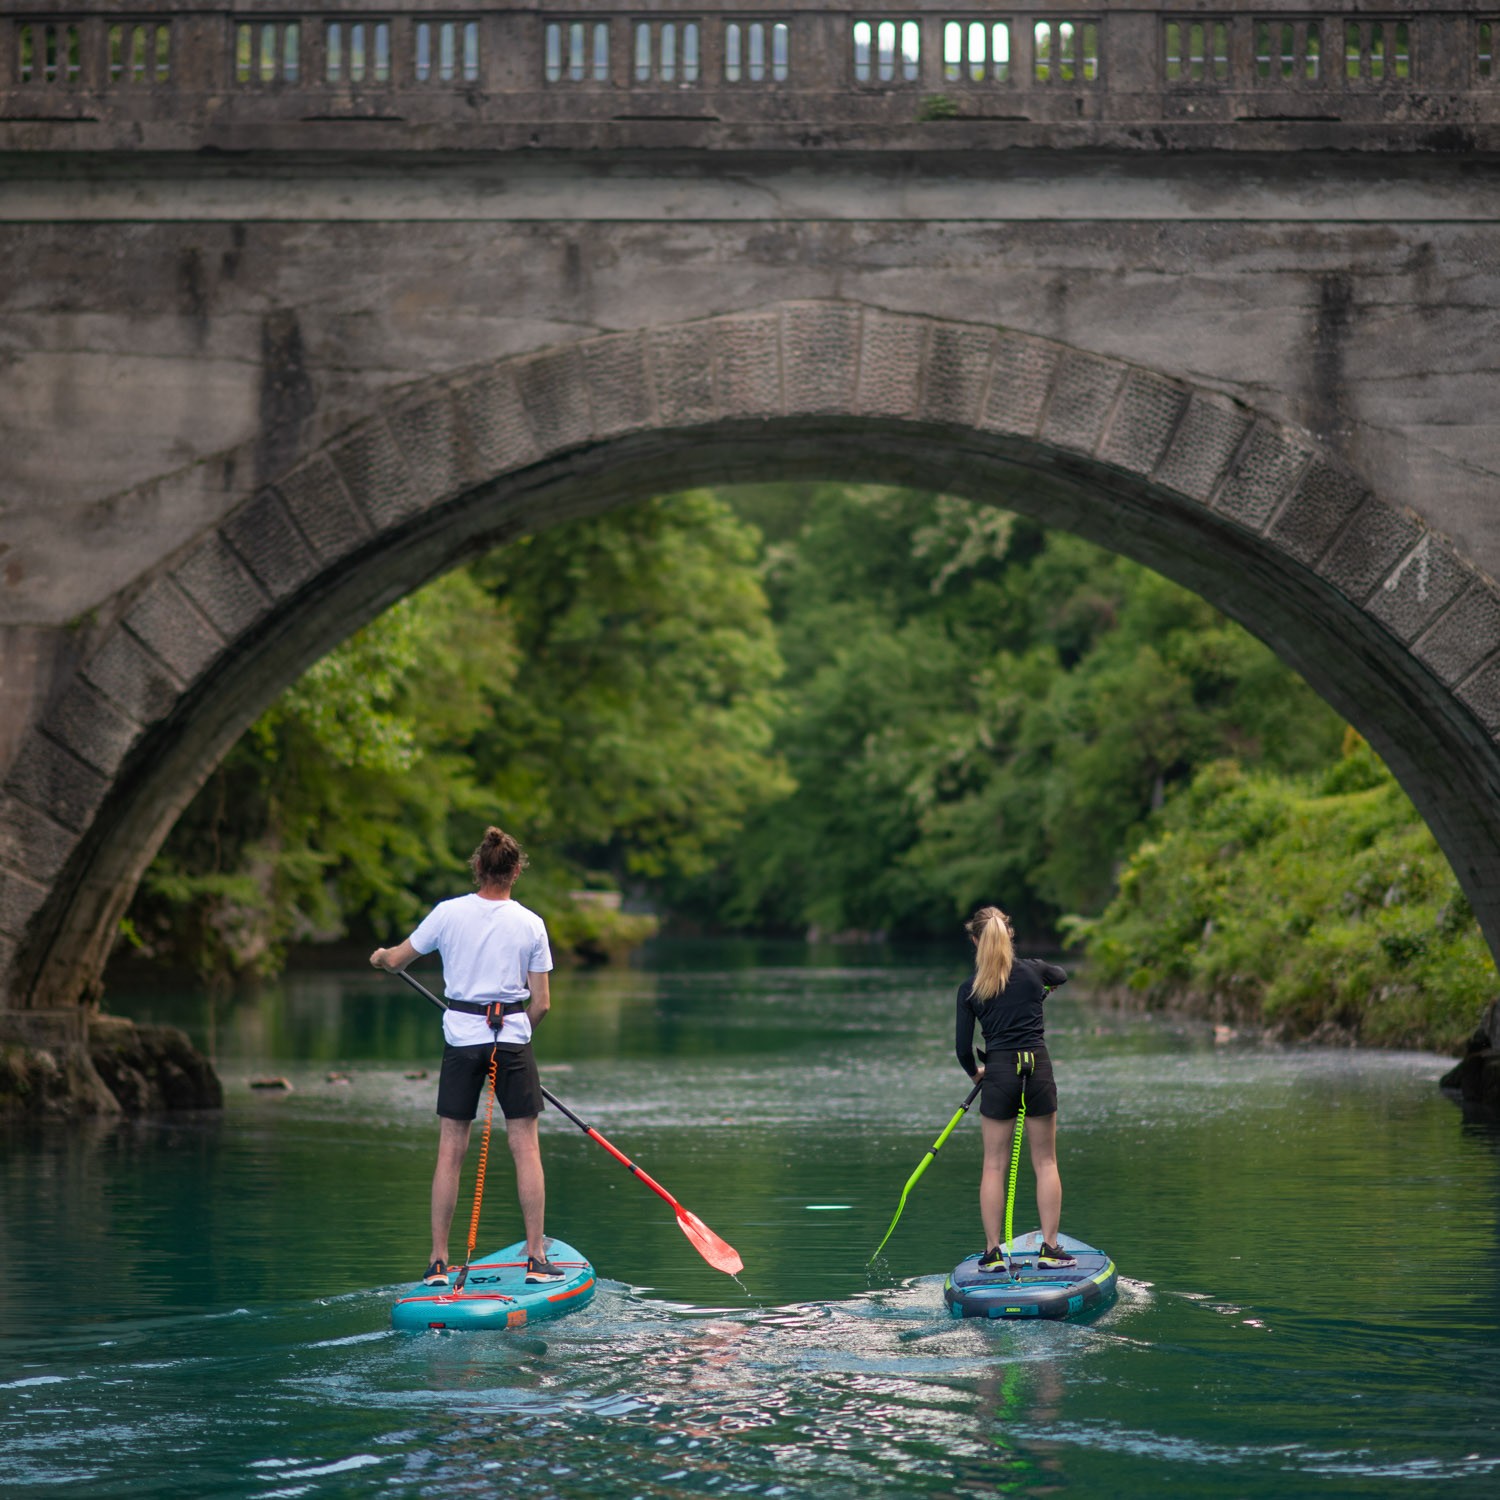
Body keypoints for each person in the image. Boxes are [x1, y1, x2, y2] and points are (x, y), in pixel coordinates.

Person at [370, 826, 563, 1287]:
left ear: (478, 867)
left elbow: (397, 960)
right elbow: (542, 1003)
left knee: (451, 1150)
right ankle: (536, 1258)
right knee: (526, 1148)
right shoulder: (531, 923)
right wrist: (516, 1036)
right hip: (512, 1041)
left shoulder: (447, 914)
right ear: (516, 871)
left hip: (461, 1040)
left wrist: (380, 958)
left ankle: (438, 1262)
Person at [953, 905, 1074, 1273]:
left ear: (975, 941)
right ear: (1009, 936)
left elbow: (962, 1049)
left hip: (1000, 1073)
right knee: (1046, 1162)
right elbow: (1062, 975)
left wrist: (977, 1074)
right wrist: (1045, 987)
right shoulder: (1035, 972)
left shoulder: (970, 989)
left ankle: (992, 1254)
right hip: (1037, 1069)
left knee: (993, 1165)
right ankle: (1050, 1249)